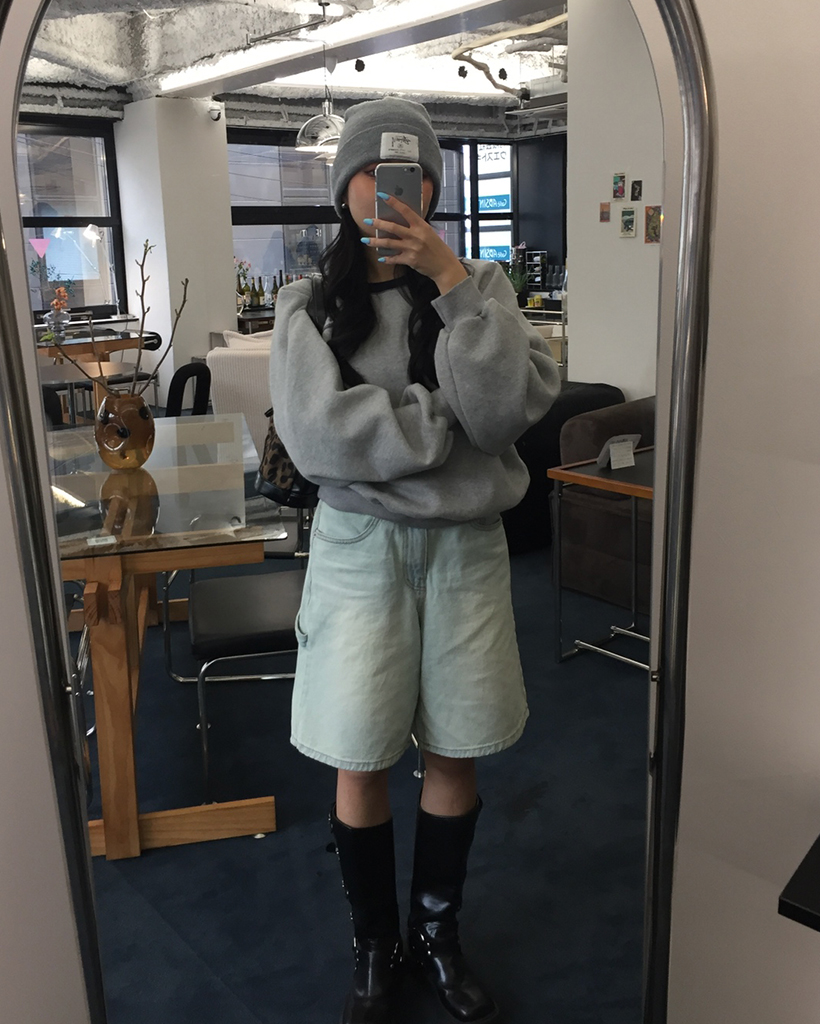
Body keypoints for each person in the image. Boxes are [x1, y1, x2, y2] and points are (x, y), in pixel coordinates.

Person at [269, 97, 561, 1024]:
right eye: (371, 174)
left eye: (411, 178)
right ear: (342, 188)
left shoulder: (483, 289)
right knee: (359, 754)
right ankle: (375, 946)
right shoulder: (309, 305)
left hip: (466, 550)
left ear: (433, 189)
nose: (390, 192)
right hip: (359, 553)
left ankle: (438, 935)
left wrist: (451, 283)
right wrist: (444, 426)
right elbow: (320, 438)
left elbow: (505, 416)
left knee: (456, 748)